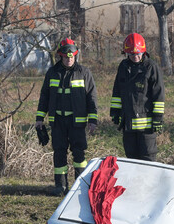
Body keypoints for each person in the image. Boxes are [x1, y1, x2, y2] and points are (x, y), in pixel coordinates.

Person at [35, 38, 98, 195]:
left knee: (79, 154)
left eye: (72, 56)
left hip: (77, 122)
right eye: (66, 56)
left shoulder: (84, 73)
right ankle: (60, 186)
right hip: (58, 122)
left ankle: (79, 186)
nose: (69, 59)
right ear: (60, 56)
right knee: (59, 152)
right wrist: (39, 118)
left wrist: (93, 120)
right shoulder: (52, 73)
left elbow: (92, 98)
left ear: (76, 55)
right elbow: (45, 96)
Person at [110, 33, 165, 161]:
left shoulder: (151, 68)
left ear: (143, 52)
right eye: (132, 54)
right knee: (132, 160)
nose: (135, 57)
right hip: (128, 124)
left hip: (146, 125)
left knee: (148, 159)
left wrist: (157, 118)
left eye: (138, 54)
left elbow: (158, 95)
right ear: (127, 53)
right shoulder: (123, 67)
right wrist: (115, 112)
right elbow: (117, 91)